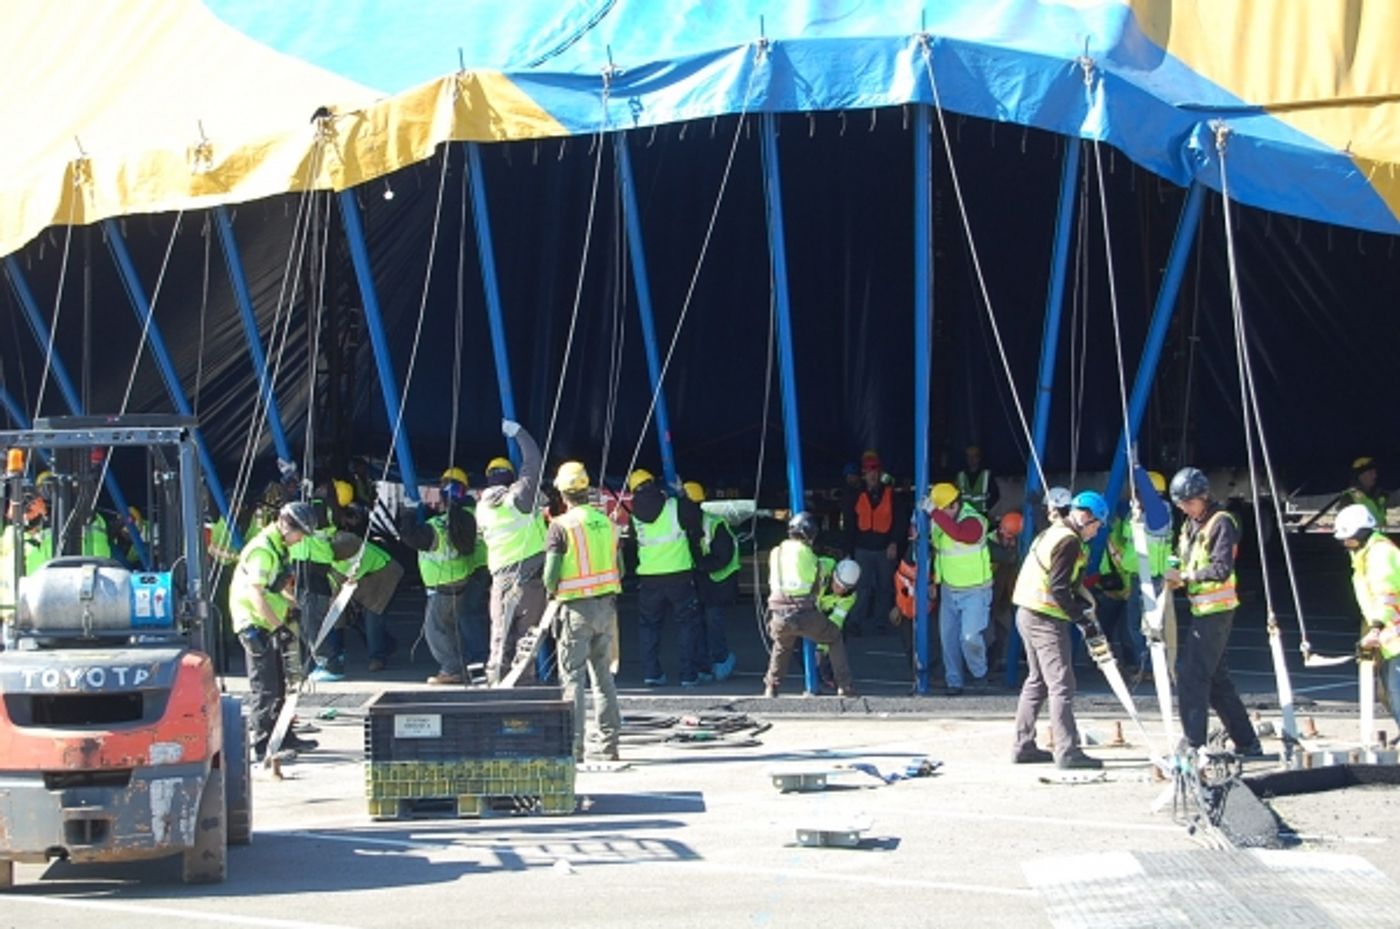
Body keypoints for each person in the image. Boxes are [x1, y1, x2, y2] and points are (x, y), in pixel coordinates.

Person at [1165, 467, 1261, 755]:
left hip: (1216, 611)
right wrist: (1172, 570)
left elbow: (1221, 568)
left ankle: (1194, 742)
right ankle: (1247, 741)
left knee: (1192, 676)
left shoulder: (1221, 523)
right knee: (1217, 680)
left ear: (1204, 497)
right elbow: (1183, 557)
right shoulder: (1190, 524)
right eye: (1180, 504)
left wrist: (1186, 578)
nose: (1184, 508)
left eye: (1188, 503)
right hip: (1202, 609)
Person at [1010, 490, 1109, 769]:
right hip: (1045, 618)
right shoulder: (1068, 541)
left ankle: (1023, 745)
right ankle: (1067, 751)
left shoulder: (1053, 532)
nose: (1097, 531)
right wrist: (1083, 620)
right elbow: (1059, 588)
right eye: (1097, 524)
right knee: (1062, 684)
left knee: (1037, 681)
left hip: (1027, 612)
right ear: (1085, 517)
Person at [544, 461, 621, 762]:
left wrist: (554, 591)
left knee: (573, 678)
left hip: (576, 609)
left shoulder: (560, 526)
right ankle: (610, 745)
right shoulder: (609, 525)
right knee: (603, 677)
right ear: (587, 490)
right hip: (606, 607)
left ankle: (574, 748)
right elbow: (620, 567)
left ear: (563, 493)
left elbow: (551, 575)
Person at [230, 502, 318, 757]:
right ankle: (263, 744)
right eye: (300, 533)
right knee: (266, 686)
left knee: (282, 684)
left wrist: (292, 604)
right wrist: (279, 627)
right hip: (254, 624)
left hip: (267, 621)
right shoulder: (262, 551)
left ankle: (285, 737)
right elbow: (255, 594)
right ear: (286, 526)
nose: (300, 539)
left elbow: (274, 585)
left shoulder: (278, 547)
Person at [476, 420, 548, 685]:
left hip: (500, 580)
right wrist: (520, 433)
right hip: (529, 578)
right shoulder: (518, 498)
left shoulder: (482, 508)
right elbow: (534, 463)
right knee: (526, 639)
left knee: (499, 638)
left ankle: (495, 685)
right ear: (510, 477)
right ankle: (523, 686)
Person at [398, 467, 483, 685]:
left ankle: (452, 669)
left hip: (442, 585)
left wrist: (408, 512)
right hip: (460, 579)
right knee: (451, 626)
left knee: (435, 630)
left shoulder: (435, 527)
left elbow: (410, 536)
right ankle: (463, 663)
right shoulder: (466, 519)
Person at [763, 512, 857, 697]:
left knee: (782, 645)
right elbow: (814, 586)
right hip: (803, 613)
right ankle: (845, 686)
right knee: (834, 638)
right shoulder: (810, 556)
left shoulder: (776, 552)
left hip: (778, 613)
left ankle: (771, 686)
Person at [627, 468, 704, 686]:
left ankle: (652, 674)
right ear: (654, 483)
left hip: (649, 579)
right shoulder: (674, 506)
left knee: (649, 627)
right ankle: (688, 675)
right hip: (679, 576)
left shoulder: (635, 517)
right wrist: (681, 494)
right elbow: (695, 519)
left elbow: (634, 544)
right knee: (687, 625)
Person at [1334, 504, 1400, 729]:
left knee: (1396, 690)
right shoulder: (1367, 555)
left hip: (1393, 634)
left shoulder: (1379, 554)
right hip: (1390, 639)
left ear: (1360, 533)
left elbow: (1386, 595)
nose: (1345, 543)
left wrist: (1375, 629)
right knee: (1391, 690)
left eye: (1348, 538)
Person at [928, 482, 993, 696]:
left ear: (954, 505)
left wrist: (934, 514)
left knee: (969, 637)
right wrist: (934, 582)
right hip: (949, 588)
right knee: (948, 639)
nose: (940, 514)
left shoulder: (974, 521)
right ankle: (954, 682)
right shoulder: (941, 521)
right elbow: (937, 552)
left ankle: (979, 673)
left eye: (942, 509)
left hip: (976, 590)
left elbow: (960, 534)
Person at [683, 481, 738, 682]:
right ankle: (706, 665)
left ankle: (720, 661)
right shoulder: (690, 523)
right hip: (702, 580)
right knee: (699, 624)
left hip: (717, 582)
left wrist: (700, 565)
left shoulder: (714, 524)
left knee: (713, 623)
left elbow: (723, 556)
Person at [328, 531, 404, 673]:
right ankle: (387, 644)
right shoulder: (345, 551)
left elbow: (347, 584)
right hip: (368, 578)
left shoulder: (362, 558)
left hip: (386, 578)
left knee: (373, 617)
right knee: (355, 619)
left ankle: (377, 658)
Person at [843, 449, 898, 637]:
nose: (872, 474)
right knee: (861, 588)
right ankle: (855, 622)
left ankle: (881, 622)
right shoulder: (855, 495)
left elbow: (900, 521)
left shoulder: (890, 494)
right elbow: (849, 524)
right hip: (862, 549)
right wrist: (848, 551)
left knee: (884, 587)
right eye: (868, 471)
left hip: (884, 548)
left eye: (874, 470)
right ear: (863, 474)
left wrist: (894, 542)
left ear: (880, 472)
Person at [815, 558, 862, 691]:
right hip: (807, 608)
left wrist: (821, 649)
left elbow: (836, 622)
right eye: (837, 584)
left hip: (825, 615)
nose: (840, 589)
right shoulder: (823, 567)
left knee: (836, 638)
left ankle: (827, 675)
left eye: (845, 588)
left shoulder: (850, 597)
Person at [986, 510, 1023, 674]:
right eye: (1009, 537)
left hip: (1006, 596)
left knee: (1004, 631)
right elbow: (1007, 557)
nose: (1011, 541)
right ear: (1000, 530)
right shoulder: (988, 543)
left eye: (1014, 538)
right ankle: (982, 666)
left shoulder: (1023, 541)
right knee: (986, 635)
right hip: (987, 594)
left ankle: (994, 663)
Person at [956, 445, 1000, 517]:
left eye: (974, 456)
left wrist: (986, 506)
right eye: (969, 456)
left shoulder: (987, 474)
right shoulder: (960, 475)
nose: (971, 459)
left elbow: (995, 495)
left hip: (981, 513)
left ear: (979, 458)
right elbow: (956, 495)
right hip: (964, 514)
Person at [1345, 457, 1388, 528]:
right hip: (1360, 538)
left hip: (1379, 538)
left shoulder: (1380, 496)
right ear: (1360, 476)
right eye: (1370, 473)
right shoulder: (1348, 497)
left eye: (1375, 472)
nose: (1375, 476)